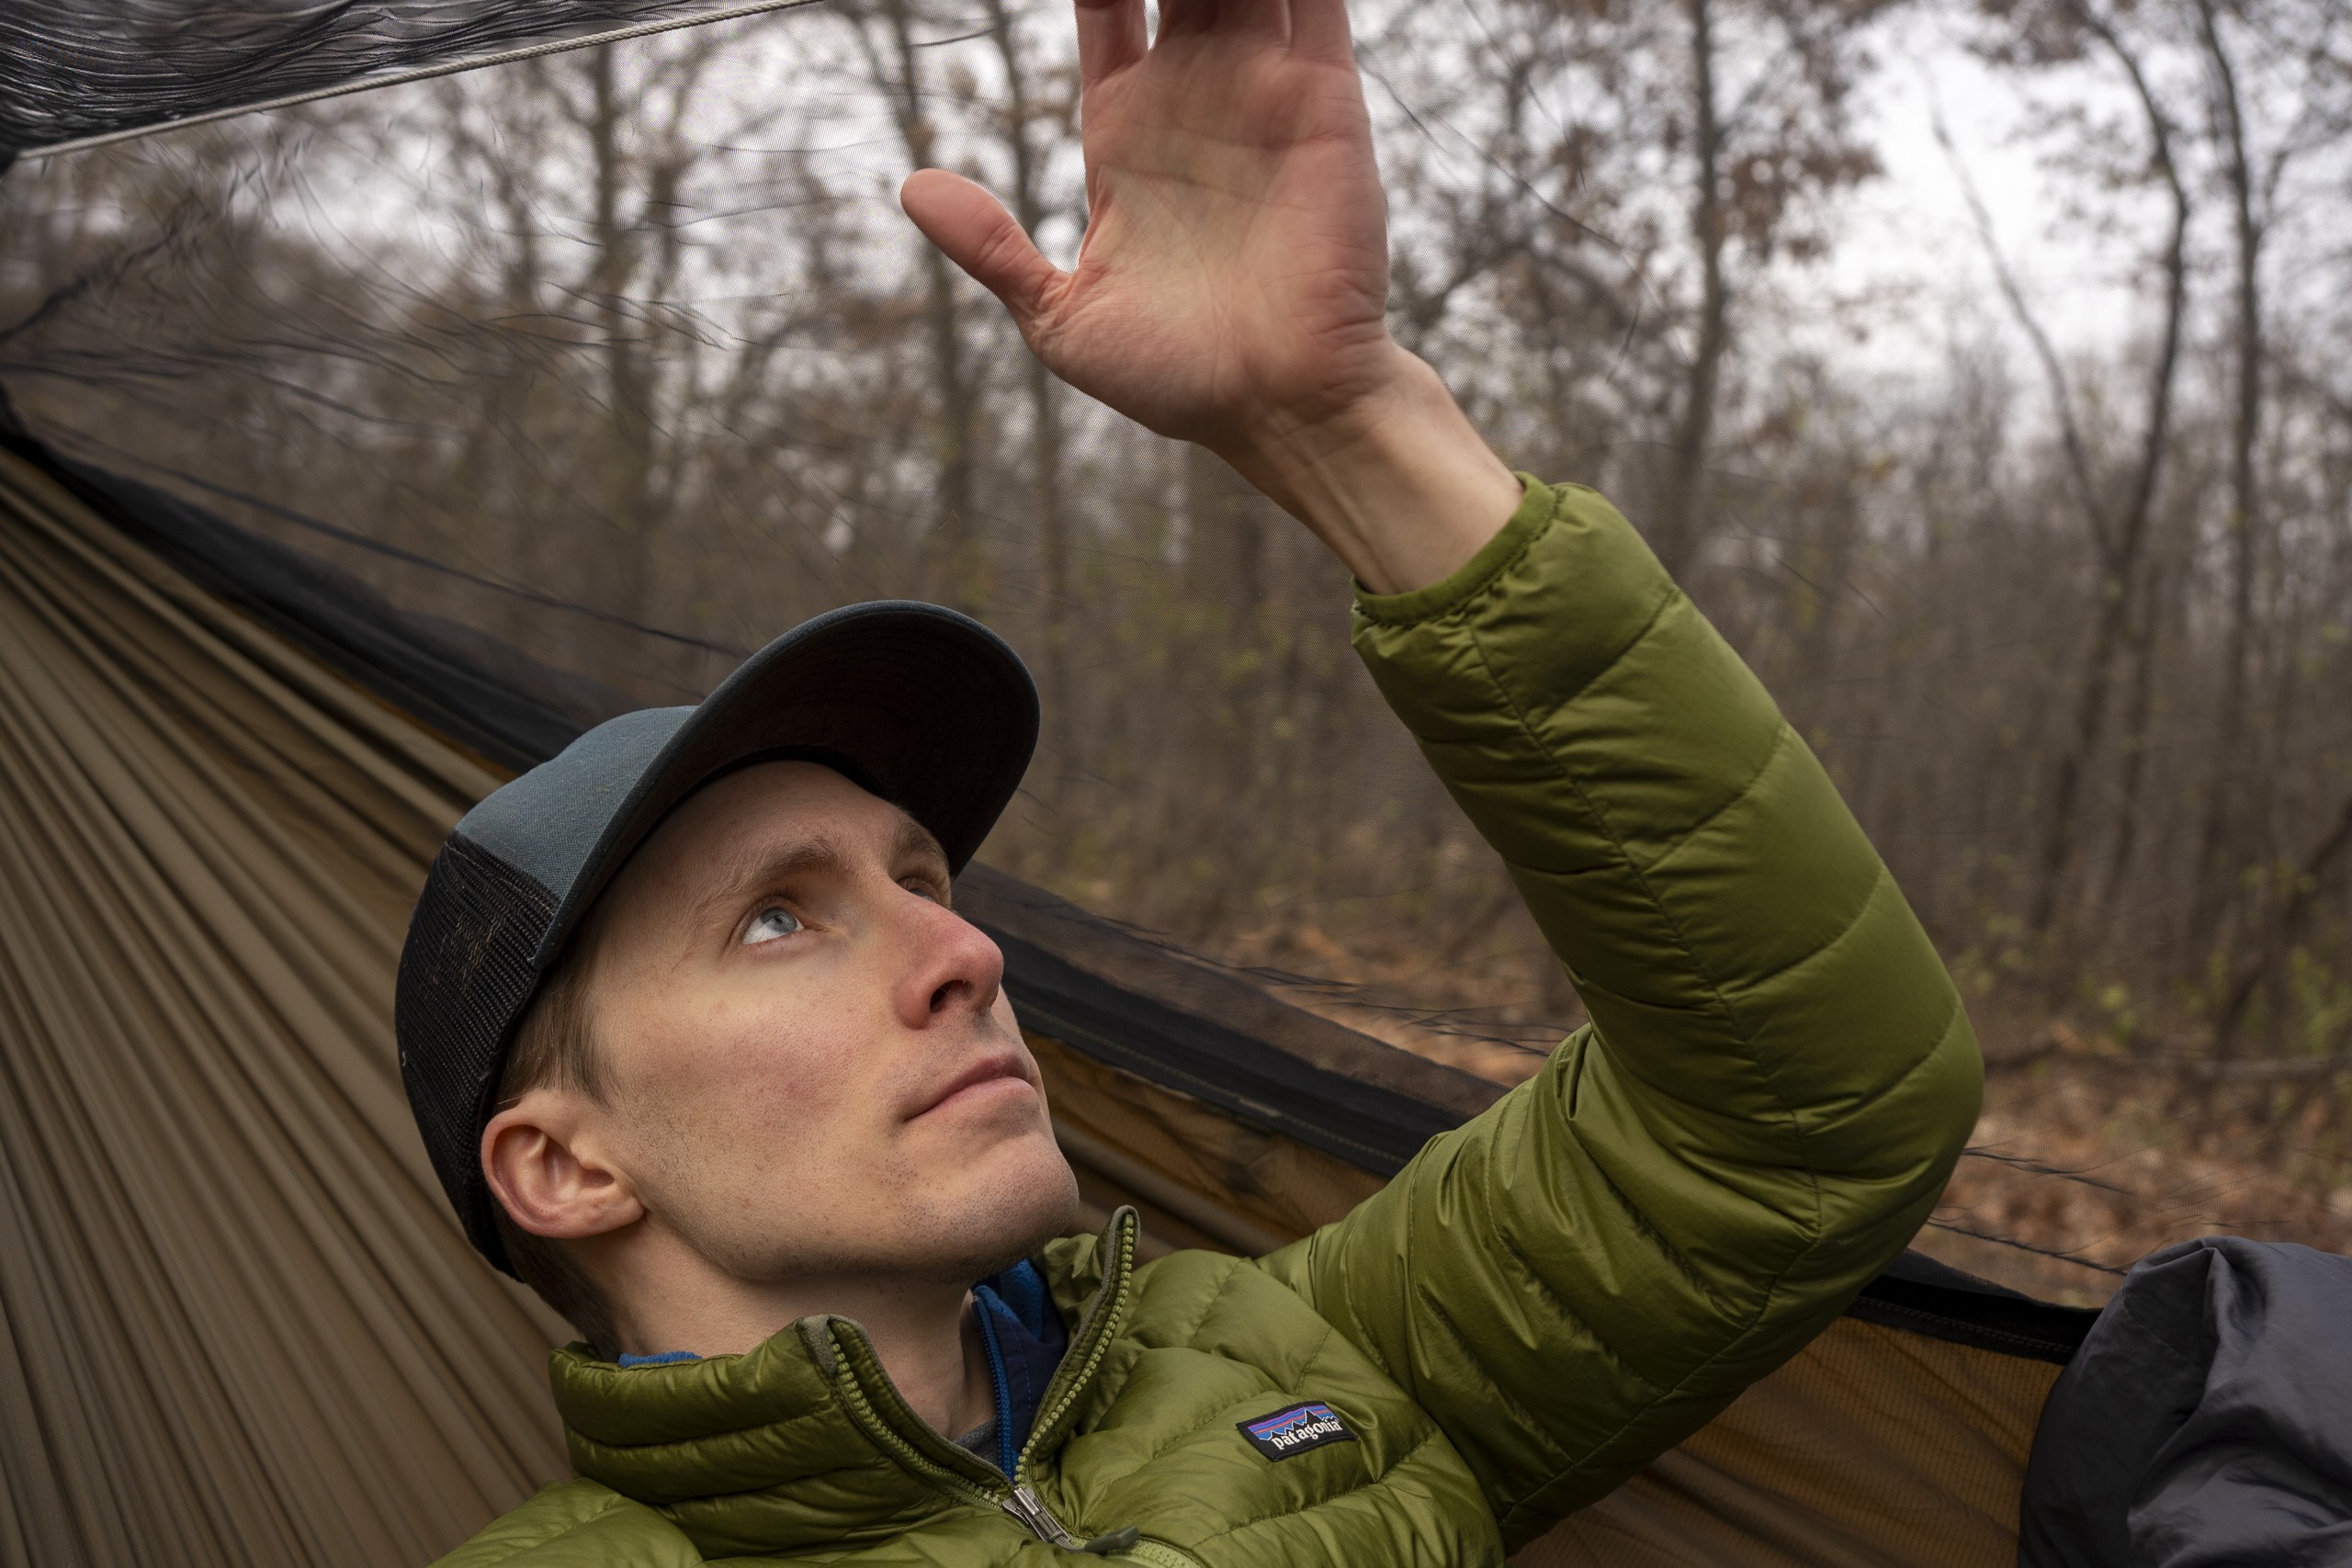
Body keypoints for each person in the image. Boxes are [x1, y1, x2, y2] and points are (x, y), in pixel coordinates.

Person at [397, 0, 1983, 1560]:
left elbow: (1803, 1115)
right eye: (776, 922)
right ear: (566, 1164)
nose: (967, 956)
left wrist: (1348, 429)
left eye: (923, 882)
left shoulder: (1298, 1361)